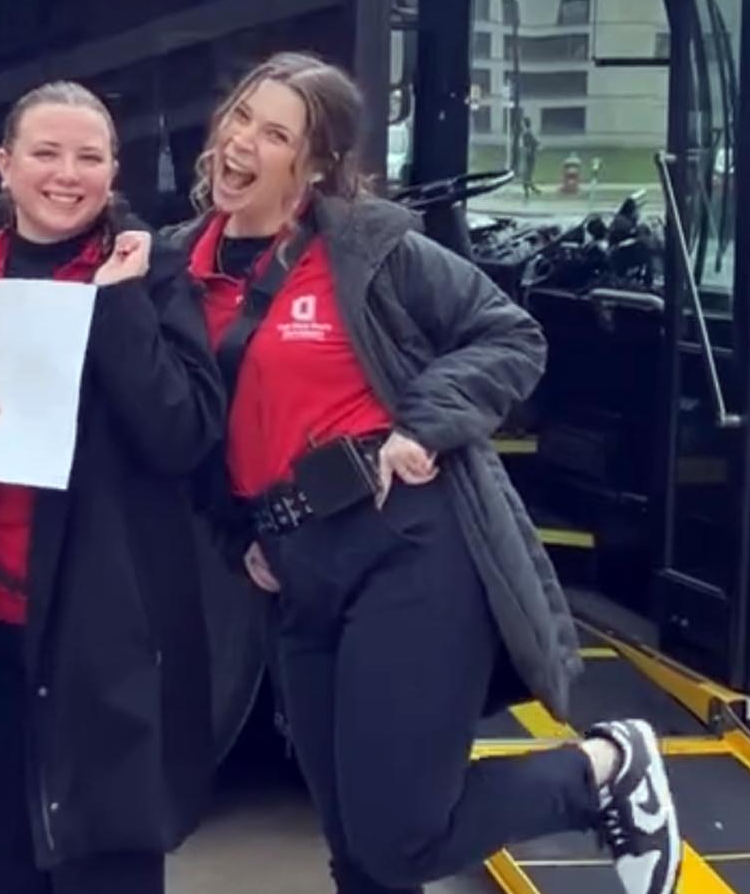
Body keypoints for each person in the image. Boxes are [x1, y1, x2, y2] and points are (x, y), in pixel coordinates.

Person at [168, 51, 682, 894]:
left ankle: (600, 770)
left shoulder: (371, 251)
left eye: (273, 132)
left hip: (403, 545)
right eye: (238, 118)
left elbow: (512, 337)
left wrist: (422, 428)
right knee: (355, 846)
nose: (240, 142)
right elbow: (192, 425)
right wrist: (234, 538)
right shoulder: (181, 266)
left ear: (316, 164)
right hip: (293, 568)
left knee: (400, 836)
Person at [0, 81, 225, 894]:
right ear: (5, 163)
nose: (68, 175)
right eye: (46, 153)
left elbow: (184, 438)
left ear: (113, 170)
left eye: (89, 157)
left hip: (111, 648)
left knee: (109, 870)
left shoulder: (156, 269)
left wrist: (120, 310)